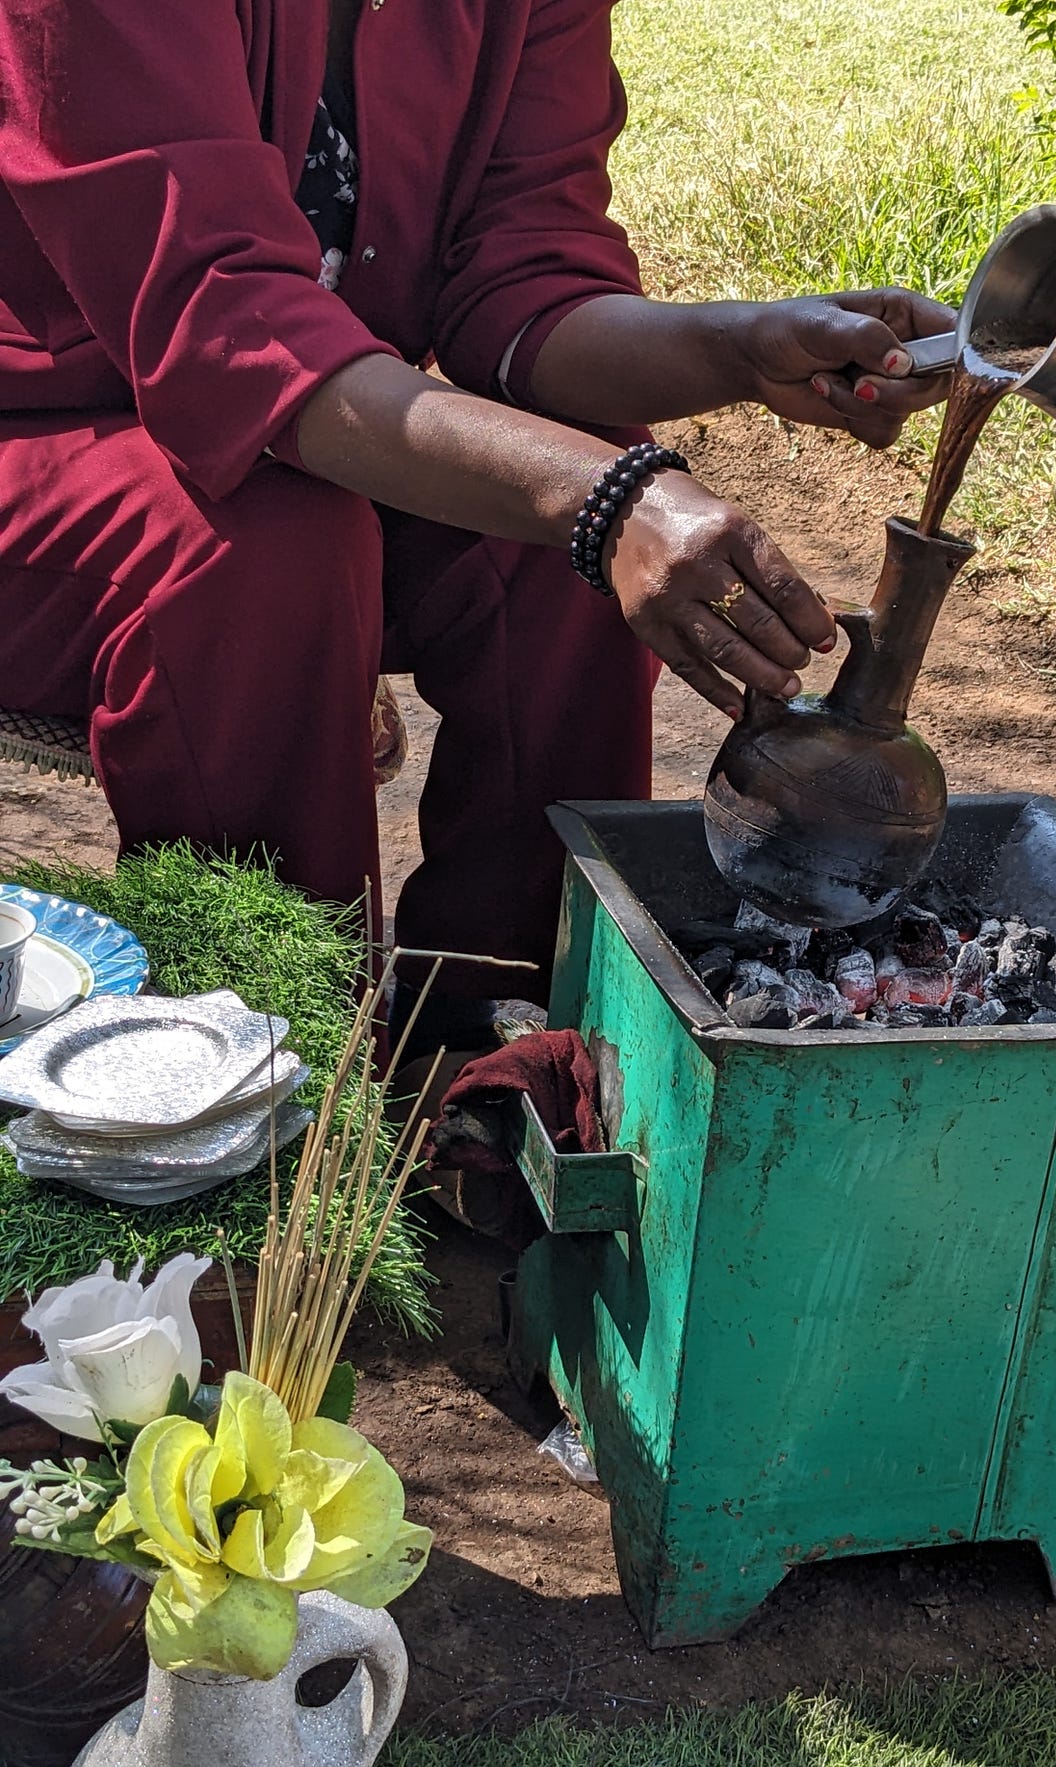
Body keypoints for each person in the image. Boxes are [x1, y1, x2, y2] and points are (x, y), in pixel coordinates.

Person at [0, 0, 953, 1047]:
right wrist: (605, 499)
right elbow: (225, 324)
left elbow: (525, 281)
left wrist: (742, 347)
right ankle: (281, 1073)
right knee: (274, 553)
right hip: (41, 436)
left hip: (305, 423)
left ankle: (497, 1045)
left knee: (567, 540)